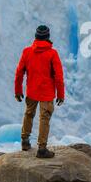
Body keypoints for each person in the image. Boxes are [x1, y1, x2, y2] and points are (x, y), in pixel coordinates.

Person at [14, 25, 65, 158]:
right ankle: (42, 149)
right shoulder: (52, 54)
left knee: (29, 113)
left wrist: (18, 90)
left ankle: (25, 141)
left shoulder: (27, 52)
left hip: (31, 91)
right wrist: (60, 94)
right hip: (46, 93)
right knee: (44, 118)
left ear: (35, 37)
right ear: (48, 37)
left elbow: (19, 72)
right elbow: (58, 76)